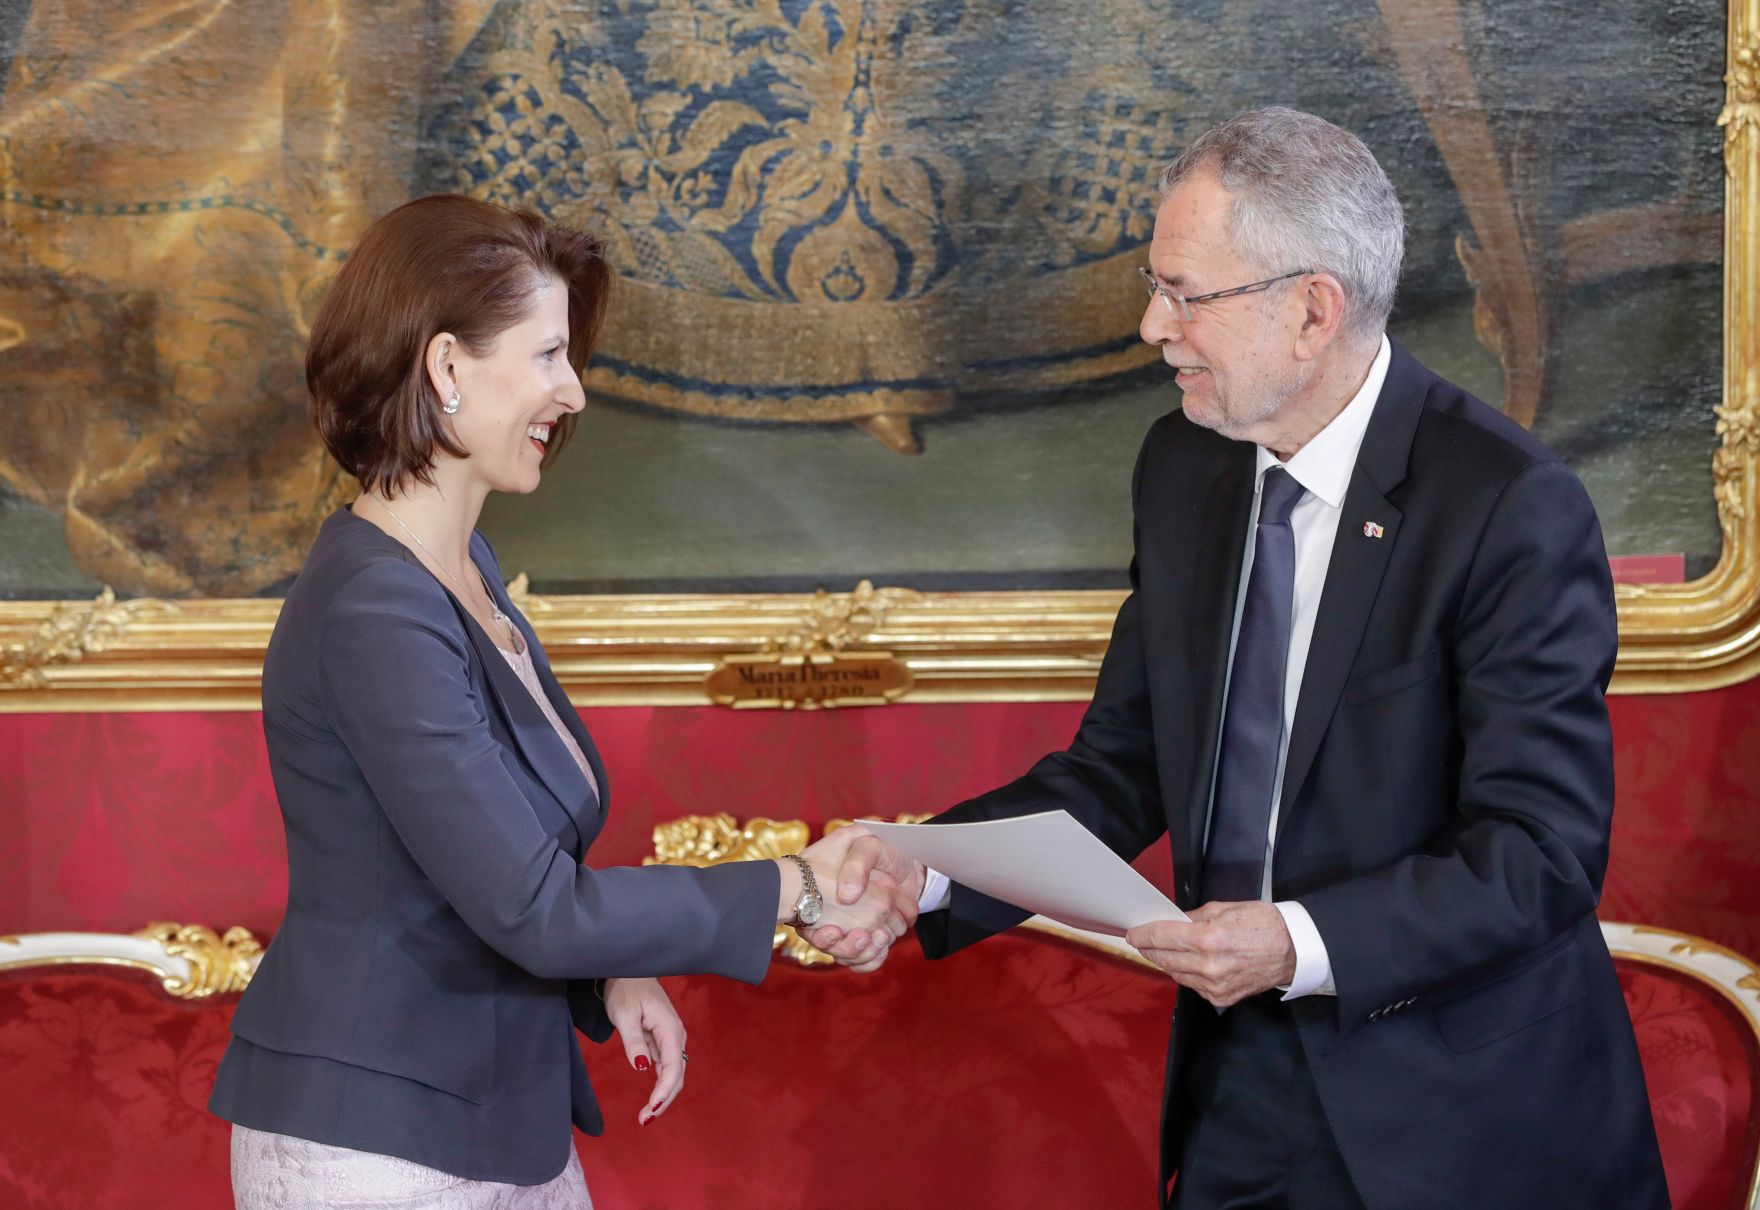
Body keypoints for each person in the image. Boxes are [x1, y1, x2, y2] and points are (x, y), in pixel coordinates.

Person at [820, 108, 1668, 1208]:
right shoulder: (1186, 466)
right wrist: (929, 868)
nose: (1151, 325)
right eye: (1154, 286)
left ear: (1311, 310)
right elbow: (1122, 764)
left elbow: (1538, 853)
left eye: (1185, 294)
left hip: (1461, 1123)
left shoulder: (1507, 506)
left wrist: (1294, 942)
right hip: (1239, 1094)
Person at [208, 194, 917, 1207]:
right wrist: (796, 884)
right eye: (546, 355)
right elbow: (534, 907)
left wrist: (609, 970)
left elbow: (487, 865)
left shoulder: (460, 572)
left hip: (484, 1121)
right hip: (377, 1143)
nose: (573, 390)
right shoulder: (377, 608)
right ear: (446, 369)